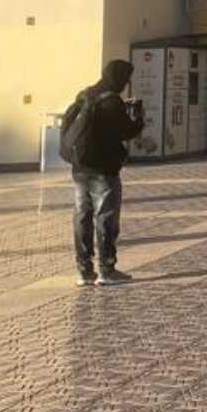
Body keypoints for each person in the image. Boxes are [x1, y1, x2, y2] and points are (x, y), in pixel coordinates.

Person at [60, 58, 146, 287]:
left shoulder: (85, 95)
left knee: (82, 216)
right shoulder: (112, 102)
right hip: (103, 170)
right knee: (106, 217)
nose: (126, 84)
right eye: (126, 79)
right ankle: (107, 270)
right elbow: (127, 131)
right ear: (119, 78)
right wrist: (138, 117)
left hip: (79, 168)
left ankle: (84, 271)